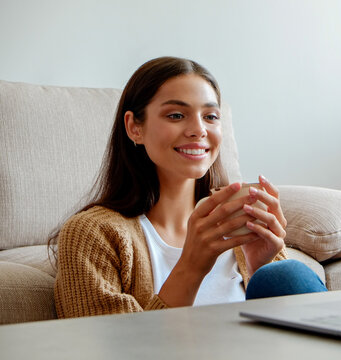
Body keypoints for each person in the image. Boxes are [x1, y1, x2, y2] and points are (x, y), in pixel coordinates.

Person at [52, 56, 326, 318]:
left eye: (210, 116)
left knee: (285, 276)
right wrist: (192, 265)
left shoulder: (241, 219)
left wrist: (259, 268)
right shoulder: (92, 234)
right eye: (175, 115)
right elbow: (110, 349)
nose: (199, 129)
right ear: (135, 127)